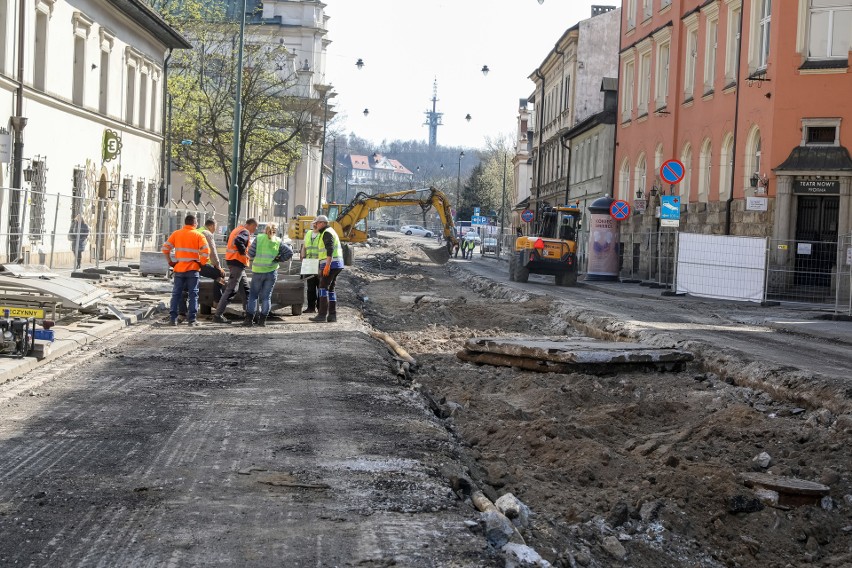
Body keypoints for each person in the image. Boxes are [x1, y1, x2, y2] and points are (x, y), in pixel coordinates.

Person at [162, 214, 209, 326]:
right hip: (193, 269)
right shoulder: (199, 235)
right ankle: (192, 320)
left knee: (176, 294)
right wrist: (201, 263)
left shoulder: (176, 234)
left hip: (179, 269)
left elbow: (165, 249)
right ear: (195, 223)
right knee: (193, 294)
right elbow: (206, 252)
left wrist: (170, 262)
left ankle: (173, 319)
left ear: (185, 223)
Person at [244, 223, 293, 327]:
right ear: (276, 231)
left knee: (253, 296)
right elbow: (289, 252)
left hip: (258, 271)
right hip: (271, 272)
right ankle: (262, 321)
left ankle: (249, 320)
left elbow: (250, 254)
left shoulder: (259, 238)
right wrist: (278, 259)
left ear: (265, 229)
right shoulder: (278, 241)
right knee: (266, 297)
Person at [213, 218, 257, 323]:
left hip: (235, 262)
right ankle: (217, 315)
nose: (254, 230)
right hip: (237, 262)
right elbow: (238, 241)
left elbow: (230, 240)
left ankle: (249, 315)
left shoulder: (237, 229)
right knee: (231, 289)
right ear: (250, 225)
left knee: (246, 289)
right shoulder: (245, 232)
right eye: (254, 227)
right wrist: (243, 253)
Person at [310, 215, 344, 323]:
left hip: (331, 264)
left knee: (323, 287)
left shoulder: (327, 232)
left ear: (323, 223)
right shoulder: (329, 231)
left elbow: (330, 249)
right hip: (337, 264)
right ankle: (332, 315)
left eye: (317, 223)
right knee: (331, 289)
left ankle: (322, 315)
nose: (316, 225)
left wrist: (327, 265)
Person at [301, 220, 322, 313]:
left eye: (316, 224)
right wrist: (302, 257)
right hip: (309, 262)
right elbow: (304, 246)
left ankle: (320, 307)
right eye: (314, 224)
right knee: (310, 287)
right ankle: (311, 307)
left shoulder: (322, 234)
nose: (315, 225)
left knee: (320, 286)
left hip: (319, 262)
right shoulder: (309, 233)